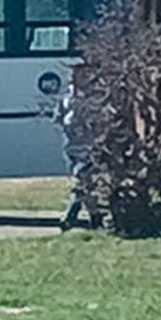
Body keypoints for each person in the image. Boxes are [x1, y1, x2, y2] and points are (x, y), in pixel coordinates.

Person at [55, 79, 103, 231]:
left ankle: (70, 217)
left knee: (82, 182)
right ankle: (95, 217)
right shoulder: (68, 100)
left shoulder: (91, 102)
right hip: (75, 149)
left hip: (85, 149)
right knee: (85, 183)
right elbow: (58, 118)